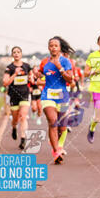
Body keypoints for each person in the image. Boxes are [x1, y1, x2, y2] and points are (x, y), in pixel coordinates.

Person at [32, 36, 74, 164]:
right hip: (47, 96)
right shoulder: (44, 62)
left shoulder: (66, 61)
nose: (53, 47)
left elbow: (70, 79)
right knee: (52, 122)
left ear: (60, 48)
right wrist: (37, 75)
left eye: (56, 45)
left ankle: (58, 145)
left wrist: (59, 67)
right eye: (51, 45)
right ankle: (56, 152)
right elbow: (40, 76)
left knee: (62, 127)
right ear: (49, 47)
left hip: (62, 96)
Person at [2, 46, 31, 150]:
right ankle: (14, 127)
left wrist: (32, 78)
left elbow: (31, 78)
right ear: (12, 55)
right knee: (15, 119)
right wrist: (15, 74)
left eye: (18, 52)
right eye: (14, 52)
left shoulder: (27, 66)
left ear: (21, 54)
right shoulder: (9, 68)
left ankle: (23, 139)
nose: (16, 54)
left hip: (24, 94)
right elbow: (5, 83)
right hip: (13, 96)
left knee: (23, 116)